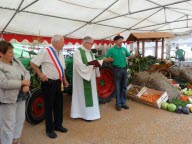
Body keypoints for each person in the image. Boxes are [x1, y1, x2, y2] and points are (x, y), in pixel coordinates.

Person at [30, 35, 69, 139]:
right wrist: (40, 74)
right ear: (55, 43)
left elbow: (62, 68)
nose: (64, 43)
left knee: (59, 105)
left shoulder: (60, 52)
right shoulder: (46, 51)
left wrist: (64, 80)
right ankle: (49, 129)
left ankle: (58, 125)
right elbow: (33, 63)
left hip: (58, 83)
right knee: (49, 107)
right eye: (62, 42)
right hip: (49, 83)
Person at [0, 41, 30, 144]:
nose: (13, 54)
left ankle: (15, 140)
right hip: (7, 99)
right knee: (8, 124)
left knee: (20, 119)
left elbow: (26, 72)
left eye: (12, 51)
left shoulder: (16, 61)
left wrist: (26, 84)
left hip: (20, 96)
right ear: (1, 53)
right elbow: (3, 83)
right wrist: (22, 82)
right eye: (10, 52)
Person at [70, 36, 101, 122]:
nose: (92, 45)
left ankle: (92, 114)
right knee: (82, 96)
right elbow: (78, 65)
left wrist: (97, 65)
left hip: (90, 77)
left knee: (91, 96)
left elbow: (94, 62)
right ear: (85, 43)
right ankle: (83, 114)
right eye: (91, 43)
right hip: (81, 78)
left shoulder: (90, 52)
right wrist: (91, 67)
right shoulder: (78, 52)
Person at [104, 35, 138, 111]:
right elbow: (104, 58)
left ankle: (123, 103)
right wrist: (109, 59)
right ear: (115, 41)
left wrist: (134, 55)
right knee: (117, 87)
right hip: (116, 70)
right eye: (119, 40)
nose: (121, 41)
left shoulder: (124, 49)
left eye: (122, 40)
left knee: (124, 87)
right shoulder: (111, 50)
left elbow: (129, 57)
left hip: (124, 69)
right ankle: (118, 104)